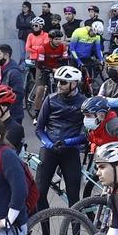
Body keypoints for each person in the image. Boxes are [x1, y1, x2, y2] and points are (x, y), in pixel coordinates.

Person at [34, 65, 88, 206]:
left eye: (63, 82)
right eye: (58, 81)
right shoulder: (50, 99)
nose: (59, 85)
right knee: (39, 194)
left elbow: (87, 135)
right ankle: (45, 228)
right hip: (49, 150)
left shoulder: (83, 102)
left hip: (70, 152)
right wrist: (49, 144)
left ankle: (76, 227)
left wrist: (68, 142)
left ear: (74, 83)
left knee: (74, 198)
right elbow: (39, 129)